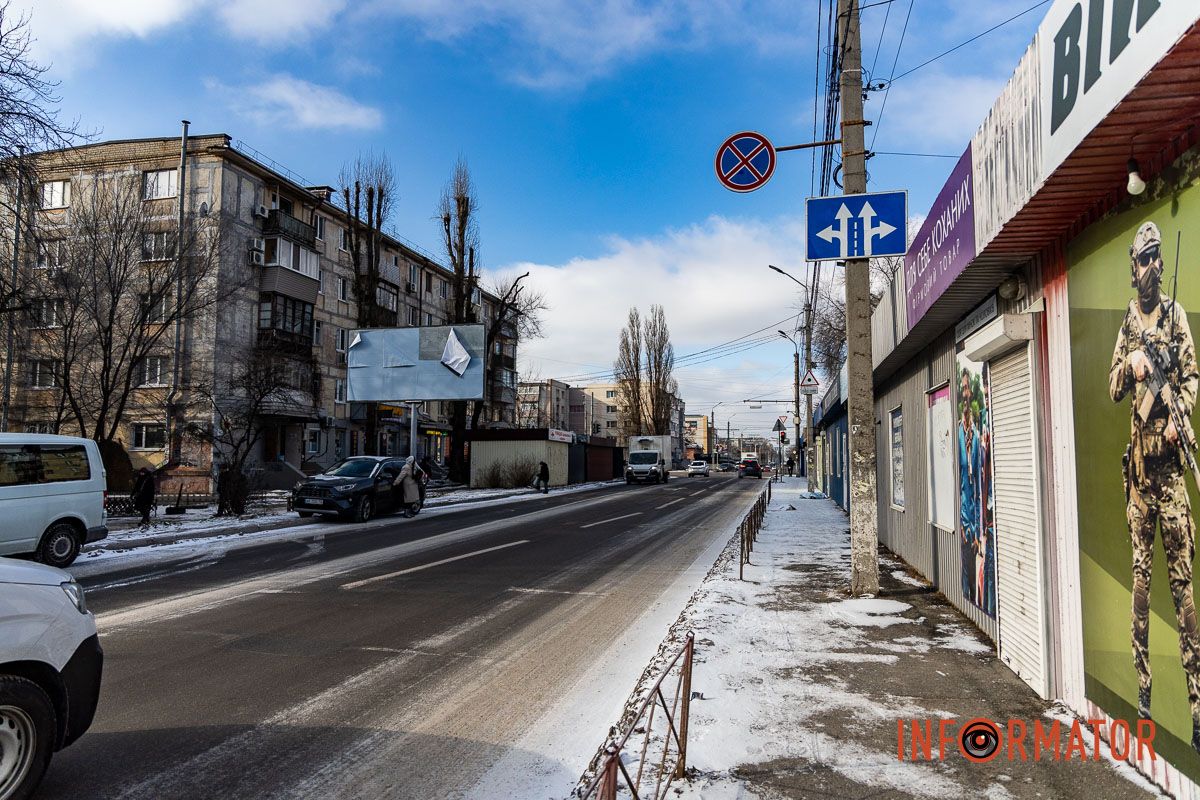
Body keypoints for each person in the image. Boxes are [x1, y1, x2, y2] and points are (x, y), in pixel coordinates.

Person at [1110, 221, 1200, 747]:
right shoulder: (1128, 322)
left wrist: (1177, 413)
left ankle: (1196, 706)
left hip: (1170, 481)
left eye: (1158, 258)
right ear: (1133, 267)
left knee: (1184, 591)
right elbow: (1113, 387)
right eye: (1145, 259)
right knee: (1141, 589)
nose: (1153, 267)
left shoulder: (1177, 317)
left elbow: (1191, 380)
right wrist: (1133, 362)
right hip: (1140, 484)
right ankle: (1143, 695)